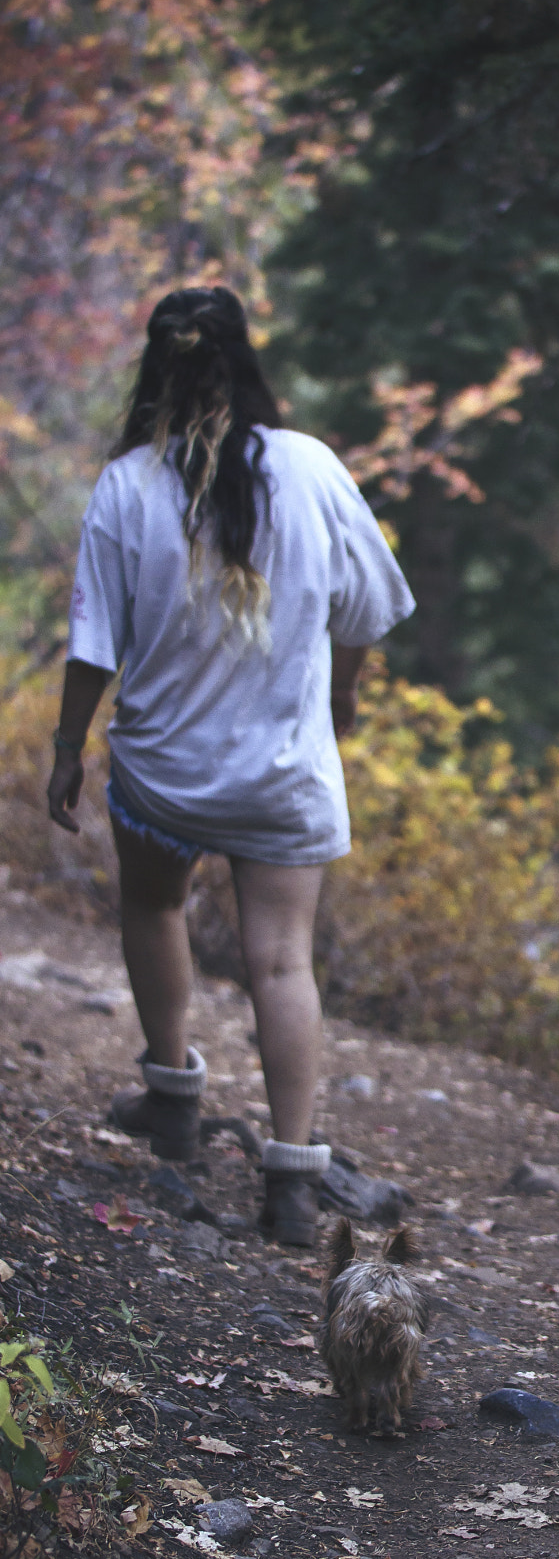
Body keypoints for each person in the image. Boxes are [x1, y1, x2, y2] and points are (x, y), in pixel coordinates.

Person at [46, 286, 415, 1248]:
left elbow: (92, 646)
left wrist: (64, 752)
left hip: (161, 775)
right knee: (281, 961)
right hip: (284, 778)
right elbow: (368, 608)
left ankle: (172, 1096)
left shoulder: (128, 484)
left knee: (154, 907)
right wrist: (339, 701)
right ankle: (291, 1183)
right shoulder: (310, 467)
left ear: (153, 371)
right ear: (246, 363)